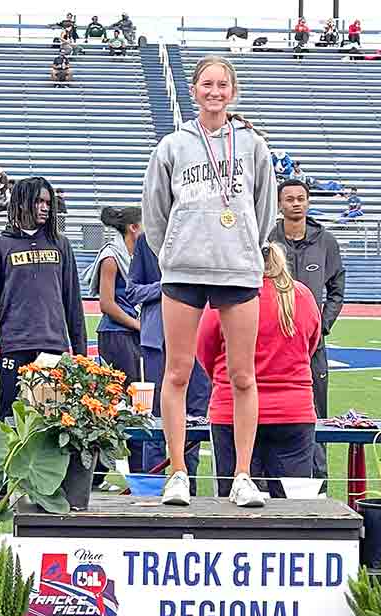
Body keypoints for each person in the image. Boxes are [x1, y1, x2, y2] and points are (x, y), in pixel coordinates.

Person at [142, 55, 276, 508]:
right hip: (184, 269)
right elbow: (155, 211)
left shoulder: (253, 144)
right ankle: (177, 471)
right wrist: (173, 253)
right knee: (177, 373)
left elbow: (265, 207)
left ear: (233, 91)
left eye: (222, 84)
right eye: (206, 84)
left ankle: (241, 475)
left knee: (241, 376)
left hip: (237, 269)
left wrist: (246, 247)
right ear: (194, 90)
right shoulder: (173, 145)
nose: (215, 92)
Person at [198, 243, 322, 504]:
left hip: (232, 411)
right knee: (293, 506)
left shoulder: (224, 300)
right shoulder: (302, 296)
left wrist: (225, 380)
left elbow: (204, 351)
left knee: (231, 507)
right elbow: (310, 345)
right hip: (293, 412)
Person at [0, 177, 87, 422]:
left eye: (47, 202)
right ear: (21, 204)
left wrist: (81, 355)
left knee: (53, 424)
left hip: (53, 348)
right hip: (14, 346)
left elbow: (73, 303)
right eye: (38, 201)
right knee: (8, 420)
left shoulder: (61, 245)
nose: (45, 207)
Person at [269, 179, 345, 490]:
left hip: (312, 347)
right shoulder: (267, 239)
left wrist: (321, 325)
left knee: (317, 414)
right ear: (279, 204)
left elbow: (337, 289)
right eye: (289, 199)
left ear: (308, 202)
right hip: (271, 345)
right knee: (269, 413)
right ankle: (270, 484)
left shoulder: (325, 241)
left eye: (301, 198)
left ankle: (318, 486)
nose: (296, 204)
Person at [126, 223, 211, 497]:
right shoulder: (144, 242)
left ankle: (190, 485)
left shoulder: (204, 234)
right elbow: (132, 291)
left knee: (195, 419)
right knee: (156, 420)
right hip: (157, 341)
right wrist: (166, 288)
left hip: (199, 340)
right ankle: (151, 492)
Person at [84, 206, 144, 479]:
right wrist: (138, 324)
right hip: (116, 335)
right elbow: (106, 304)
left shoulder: (139, 256)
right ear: (133, 227)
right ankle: (94, 471)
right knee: (115, 404)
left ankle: (141, 470)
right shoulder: (111, 257)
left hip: (133, 334)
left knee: (140, 404)